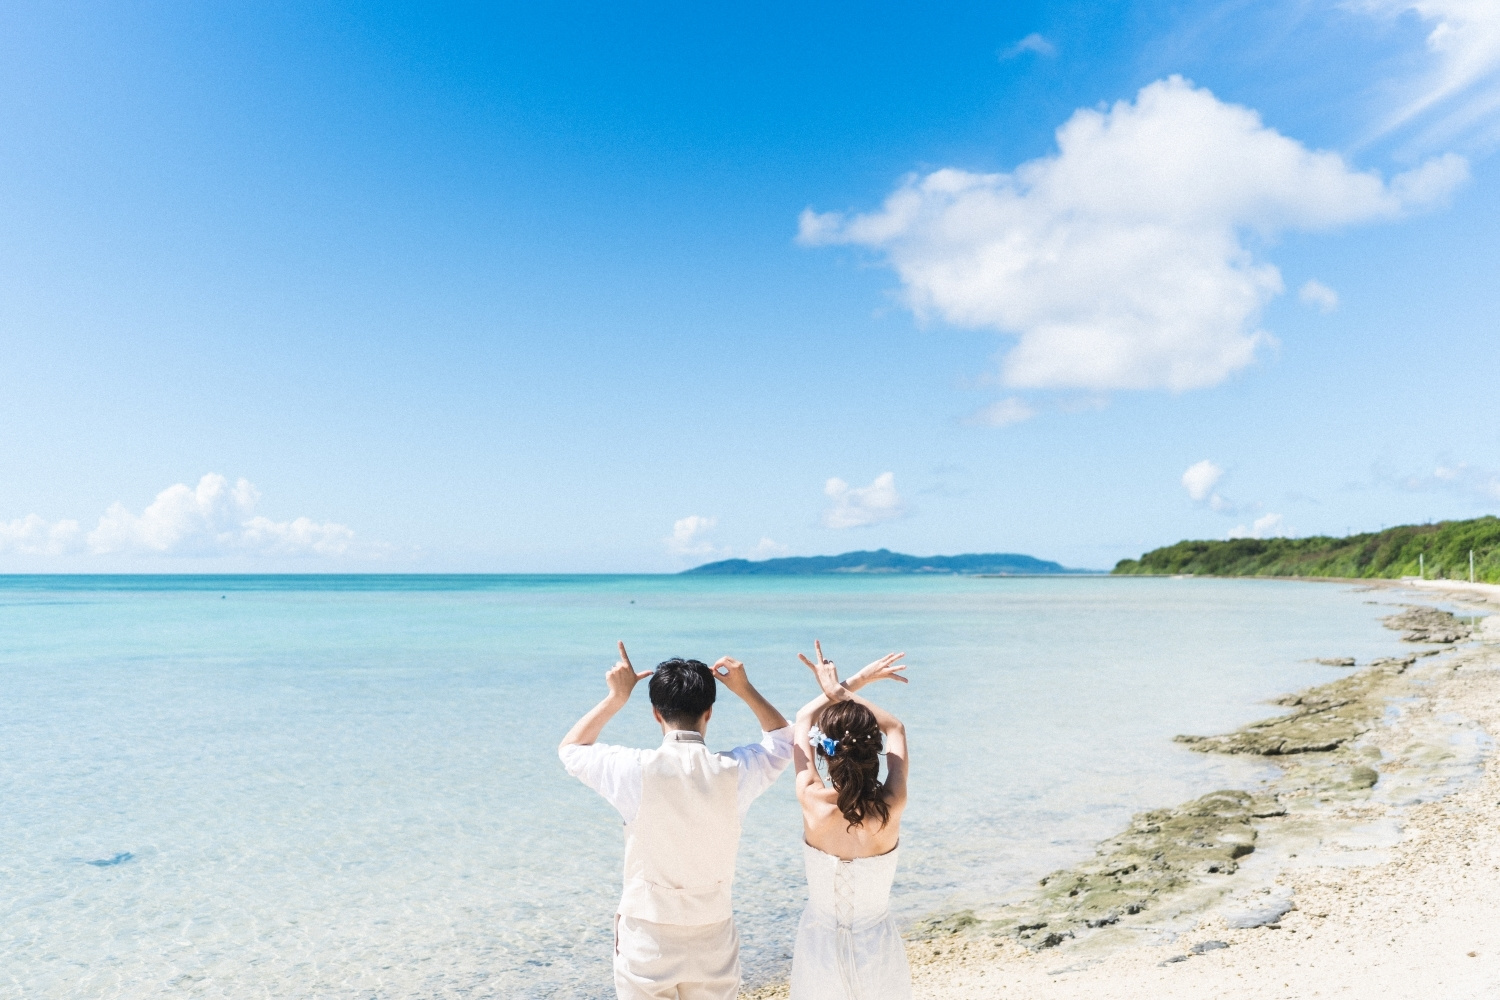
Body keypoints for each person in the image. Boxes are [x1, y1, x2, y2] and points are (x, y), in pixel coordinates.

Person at [559, 642, 793, 1000]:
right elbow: (782, 741)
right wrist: (745, 689)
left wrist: (616, 698)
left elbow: (572, 750)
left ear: (656, 714)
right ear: (709, 713)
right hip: (712, 933)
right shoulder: (734, 773)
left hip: (648, 936)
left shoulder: (633, 771)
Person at [790, 641, 912, 1000]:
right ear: (873, 750)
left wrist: (849, 684)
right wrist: (841, 690)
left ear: (827, 753)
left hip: (818, 944)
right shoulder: (891, 805)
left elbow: (802, 720)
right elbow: (897, 728)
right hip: (877, 947)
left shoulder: (812, 800)